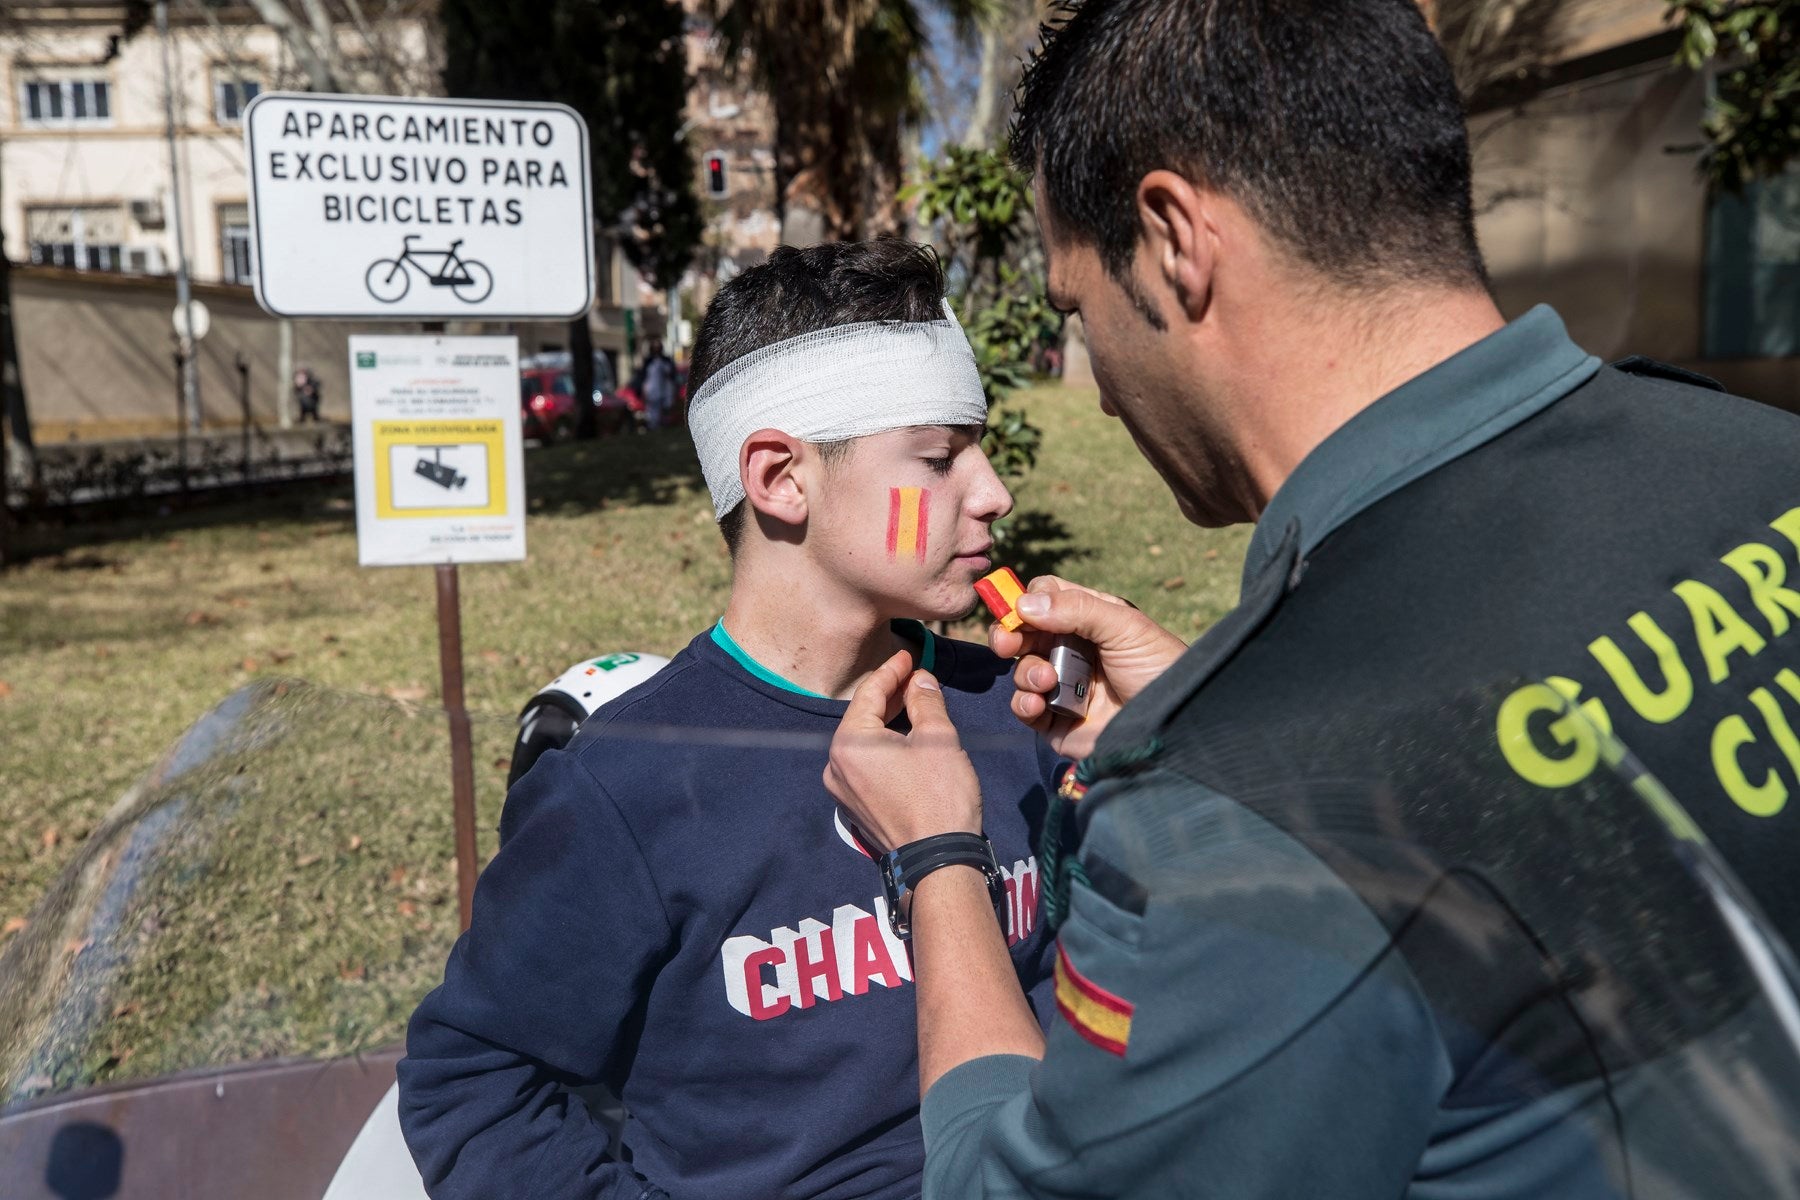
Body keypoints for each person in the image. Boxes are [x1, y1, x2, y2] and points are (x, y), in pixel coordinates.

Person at [823, 0, 1800, 1196]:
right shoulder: (1760, 457)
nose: (1107, 399)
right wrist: (1219, 717)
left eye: (1081, 316)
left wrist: (937, 857)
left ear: (1176, 239)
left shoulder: (1243, 816)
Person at [398, 239, 1063, 1200]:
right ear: (780, 478)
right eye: (938, 457)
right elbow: (473, 1080)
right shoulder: (629, 783)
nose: (993, 490)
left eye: (981, 447)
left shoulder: (1016, 707)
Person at [634, 338, 678, 429]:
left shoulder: (666, 360)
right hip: (652, 392)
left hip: (665, 390)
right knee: (653, 413)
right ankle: (654, 427)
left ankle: (665, 426)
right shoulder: (648, 361)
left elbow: (672, 374)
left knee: (666, 410)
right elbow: (643, 377)